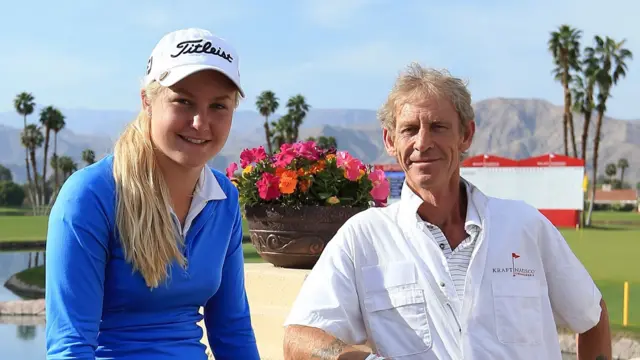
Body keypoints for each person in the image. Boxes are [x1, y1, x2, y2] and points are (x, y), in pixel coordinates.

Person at [282, 63, 612, 360]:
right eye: (409, 129)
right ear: (389, 140)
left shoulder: (525, 225)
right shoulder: (364, 237)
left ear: (466, 135)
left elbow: (591, 315)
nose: (422, 142)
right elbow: (298, 338)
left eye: (438, 126)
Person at [45, 28, 260, 360]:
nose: (200, 122)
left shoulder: (224, 199)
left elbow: (232, 329)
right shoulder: (90, 196)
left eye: (219, 106)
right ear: (147, 100)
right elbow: (70, 346)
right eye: (183, 101)